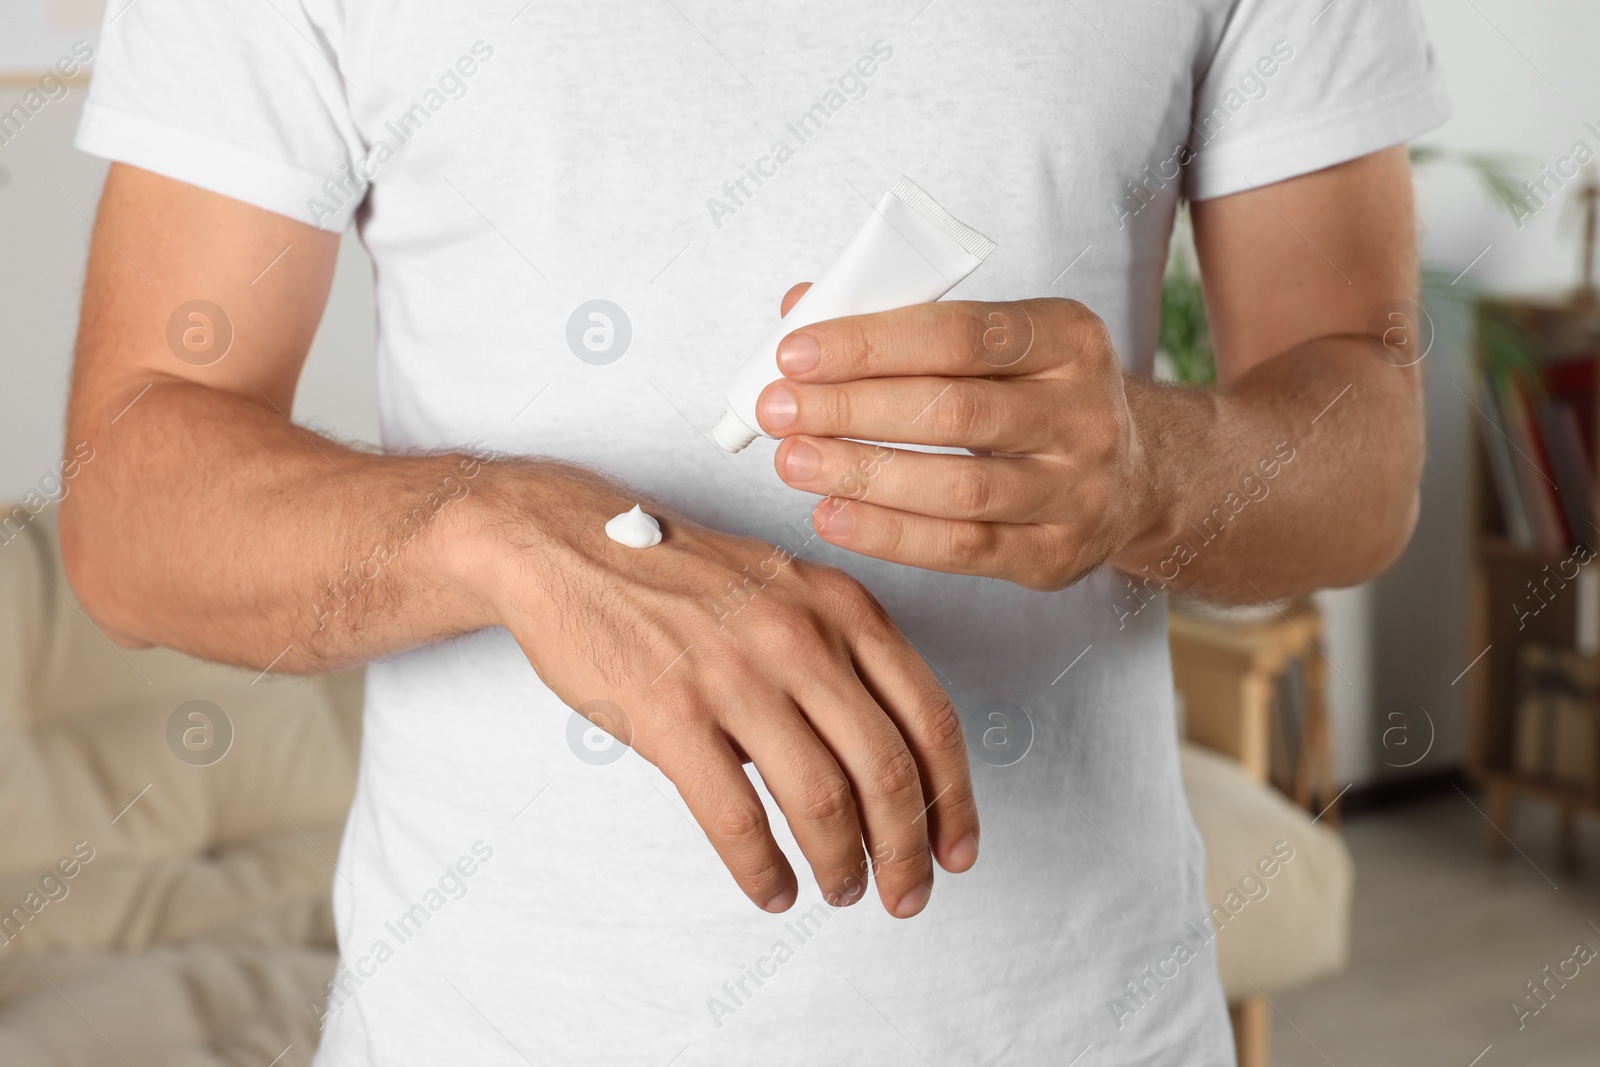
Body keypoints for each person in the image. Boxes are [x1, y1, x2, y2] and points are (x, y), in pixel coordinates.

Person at [63, 1, 1447, 1063]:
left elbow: (1365, 450)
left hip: (1080, 1023)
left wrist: (1150, 465)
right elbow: (131, 497)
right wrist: (513, 537)